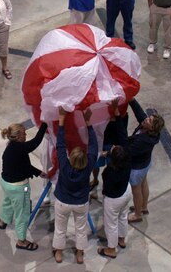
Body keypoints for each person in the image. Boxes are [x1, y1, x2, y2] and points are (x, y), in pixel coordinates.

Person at [52, 107, 98, 264]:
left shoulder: (64, 165)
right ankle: (79, 254)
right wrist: (88, 123)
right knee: (80, 229)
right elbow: (93, 147)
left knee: (60, 228)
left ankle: (58, 253)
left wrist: (62, 121)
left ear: (70, 158)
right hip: (80, 203)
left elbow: (60, 145)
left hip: (63, 202)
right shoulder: (88, 166)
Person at [0, 121, 48, 251]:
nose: (26, 134)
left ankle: (3, 221)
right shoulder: (20, 147)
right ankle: (21, 241)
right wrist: (45, 124)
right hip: (20, 188)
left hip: (6, 183)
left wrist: (38, 173)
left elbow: (24, 165)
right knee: (23, 212)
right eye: (24, 133)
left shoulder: (12, 147)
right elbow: (36, 141)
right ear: (19, 136)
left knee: (7, 201)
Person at [98, 100, 132, 259]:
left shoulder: (109, 172)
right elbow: (123, 136)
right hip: (126, 192)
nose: (112, 147)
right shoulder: (127, 158)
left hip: (113, 198)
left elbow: (106, 189)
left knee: (110, 224)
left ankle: (111, 249)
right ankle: (122, 239)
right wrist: (117, 114)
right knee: (123, 216)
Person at [127, 99, 165, 223]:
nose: (146, 119)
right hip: (145, 163)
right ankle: (143, 207)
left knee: (136, 190)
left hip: (137, 168)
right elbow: (140, 114)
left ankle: (137, 214)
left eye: (149, 120)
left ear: (151, 128)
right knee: (143, 183)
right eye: (149, 118)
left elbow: (128, 151)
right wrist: (131, 100)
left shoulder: (143, 141)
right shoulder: (148, 130)